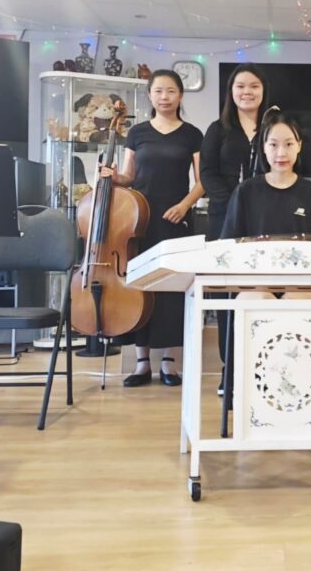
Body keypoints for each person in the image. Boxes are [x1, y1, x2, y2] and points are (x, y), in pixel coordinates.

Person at [100, 69, 203, 387]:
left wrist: (184, 205)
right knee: (141, 286)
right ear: (150, 95)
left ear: (180, 95)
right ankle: (142, 363)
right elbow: (129, 176)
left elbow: (202, 182)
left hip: (175, 218)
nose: (164, 97)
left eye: (171, 91)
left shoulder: (192, 135)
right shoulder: (137, 133)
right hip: (139, 220)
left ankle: (170, 362)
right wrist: (114, 177)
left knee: (173, 287)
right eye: (158, 91)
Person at [199, 64, 271, 376]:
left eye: (254, 86)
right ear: (231, 91)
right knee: (228, 290)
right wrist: (235, 204)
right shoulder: (218, 129)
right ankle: (230, 366)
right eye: (240, 86)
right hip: (225, 219)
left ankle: (263, 363)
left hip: (266, 219)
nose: (247, 92)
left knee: (263, 289)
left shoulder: (273, 126)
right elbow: (207, 173)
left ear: (263, 91)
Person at [220, 110, 311, 241]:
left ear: (299, 146)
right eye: (273, 144)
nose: (281, 153)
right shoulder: (245, 192)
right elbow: (229, 244)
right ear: (264, 147)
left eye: (289, 144)